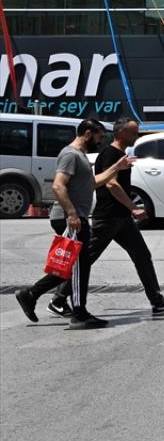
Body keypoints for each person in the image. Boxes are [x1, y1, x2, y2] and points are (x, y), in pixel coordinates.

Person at [46, 116, 164, 319]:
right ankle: (56, 298)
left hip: (121, 218)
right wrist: (133, 207)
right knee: (84, 260)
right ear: (121, 133)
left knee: (142, 255)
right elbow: (111, 184)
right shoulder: (109, 153)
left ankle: (158, 302)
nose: (137, 136)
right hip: (108, 217)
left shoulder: (120, 155)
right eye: (134, 132)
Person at [13, 119, 131, 329]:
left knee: (75, 266)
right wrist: (72, 214)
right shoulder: (70, 155)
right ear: (88, 133)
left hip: (78, 217)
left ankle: (31, 294)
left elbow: (93, 183)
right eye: (99, 137)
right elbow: (58, 186)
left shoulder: (80, 156)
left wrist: (116, 167)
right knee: (78, 267)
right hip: (71, 218)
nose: (101, 141)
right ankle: (78, 314)